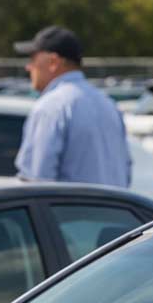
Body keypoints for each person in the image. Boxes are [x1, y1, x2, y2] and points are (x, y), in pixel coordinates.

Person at [13, 26, 131, 187]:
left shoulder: (50, 107)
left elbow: (36, 182)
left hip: (72, 212)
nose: (29, 67)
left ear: (53, 62)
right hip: (114, 210)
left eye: (33, 59)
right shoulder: (107, 103)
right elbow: (126, 171)